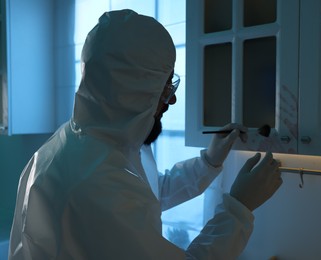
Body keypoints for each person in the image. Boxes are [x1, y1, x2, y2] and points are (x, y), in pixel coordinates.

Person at [8, 9, 282, 260]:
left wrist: (208, 162)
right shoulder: (93, 181)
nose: (171, 100)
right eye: (165, 86)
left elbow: (147, 195)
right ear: (133, 92)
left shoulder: (84, 146)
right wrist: (238, 209)